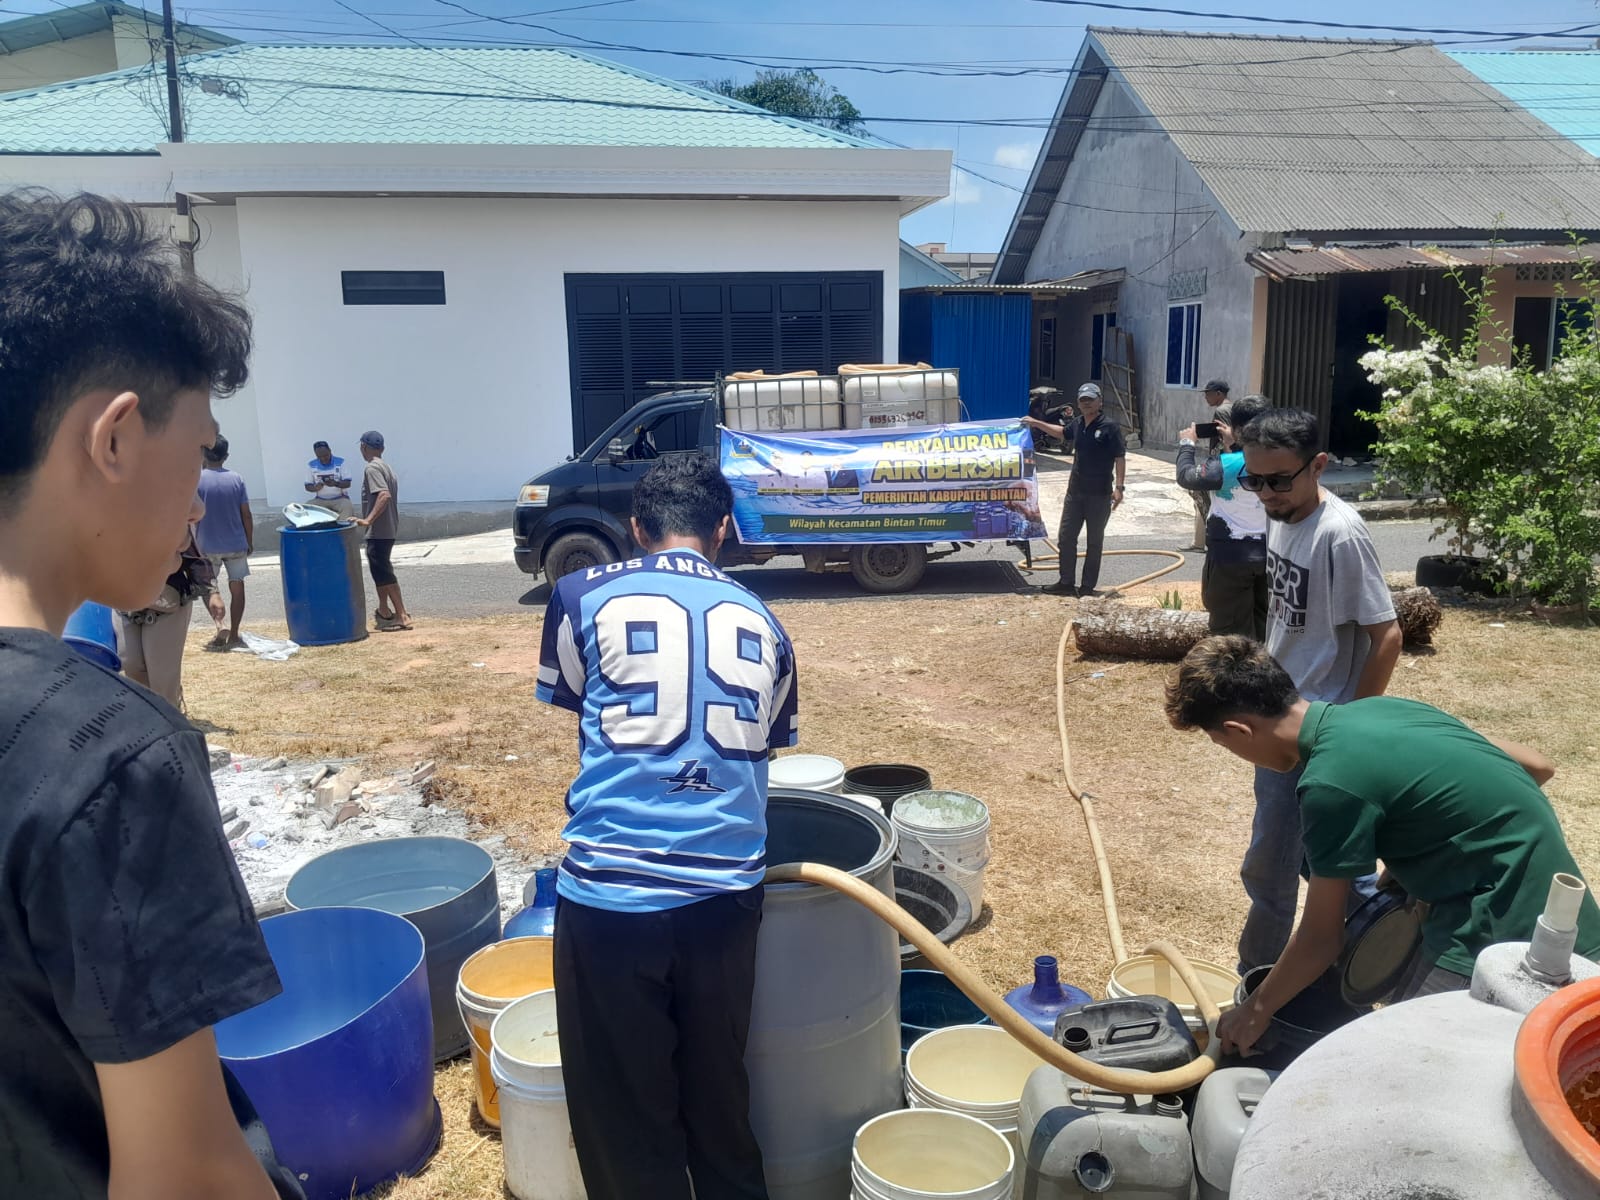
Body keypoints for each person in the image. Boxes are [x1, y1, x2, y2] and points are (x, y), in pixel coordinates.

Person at [0, 190, 299, 1198]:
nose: (199, 501)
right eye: (203, 449)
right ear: (116, 439)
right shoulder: (108, 758)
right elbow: (185, 1178)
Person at [537, 451, 798, 1200]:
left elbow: (581, 708)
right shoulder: (768, 622)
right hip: (725, 900)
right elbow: (762, 746)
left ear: (635, 527)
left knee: (624, 1121)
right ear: (723, 530)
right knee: (719, 1101)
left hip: (610, 896)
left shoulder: (578, 594)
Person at [1166, 637, 1600, 1055]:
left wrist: (1255, 1010)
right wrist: (1424, 851)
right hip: (1570, 917)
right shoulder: (1386, 709)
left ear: (1238, 730)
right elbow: (1537, 767)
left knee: (1404, 1060)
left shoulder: (1329, 784)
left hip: (1501, 932)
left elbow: (1321, 939)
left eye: (1222, 744)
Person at [1234, 408, 1402, 972]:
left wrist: (1352, 730)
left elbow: (1387, 635)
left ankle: (1267, 981)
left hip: (1319, 729)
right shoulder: (1282, 513)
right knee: (1305, 862)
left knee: (1282, 868)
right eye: (1254, 480)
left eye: (1279, 480)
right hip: (1278, 714)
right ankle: (1354, 964)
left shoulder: (1340, 535)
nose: (1266, 493)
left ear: (1319, 466)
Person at [1176, 394, 1269, 639]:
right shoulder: (1283, 458)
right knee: (1265, 622)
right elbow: (1248, 461)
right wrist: (1235, 444)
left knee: (1229, 631)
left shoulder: (1227, 464)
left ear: (1238, 429)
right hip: (1270, 553)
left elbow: (1187, 476)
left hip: (1230, 556)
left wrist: (1187, 444)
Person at [1023, 381, 1126, 597]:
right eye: (1083, 400)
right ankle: (1066, 582)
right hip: (1075, 493)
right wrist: (1036, 423)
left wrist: (1119, 488)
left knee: (1094, 542)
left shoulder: (1110, 427)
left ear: (1099, 402)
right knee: (1066, 537)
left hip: (1099, 494)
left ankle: (1087, 587)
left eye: (1090, 400)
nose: (1086, 403)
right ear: (1078, 403)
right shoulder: (1078, 424)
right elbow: (1062, 432)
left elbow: (1120, 458)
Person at [116, 498, 216, 710]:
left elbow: (193, 553)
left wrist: (212, 592)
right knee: (130, 664)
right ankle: (150, 716)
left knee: (162, 676)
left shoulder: (166, 506)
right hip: (125, 601)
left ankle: (169, 716)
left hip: (166, 602)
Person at [195, 433, 253, 649]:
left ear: (203, 454)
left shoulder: (197, 480)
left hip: (207, 545)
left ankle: (220, 625)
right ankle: (235, 634)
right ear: (226, 456)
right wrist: (249, 540)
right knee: (237, 586)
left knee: (209, 588)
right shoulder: (237, 479)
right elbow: (246, 514)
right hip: (236, 543)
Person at [352, 430, 411, 630]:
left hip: (379, 530)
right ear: (382, 448)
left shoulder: (372, 469)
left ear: (363, 447)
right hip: (388, 527)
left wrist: (367, 520)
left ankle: (402, 615)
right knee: (379, 569)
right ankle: (384, 609)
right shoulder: (386, 467)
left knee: (383, 571)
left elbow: (384, 495)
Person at [1186, 379, 1232, 549]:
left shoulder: (1222, 410)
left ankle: (1209, 540)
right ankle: (1200, 542)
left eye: (1208, 393)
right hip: (1226, 463)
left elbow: (1224, 436)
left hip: (1221, 463)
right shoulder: (1232, 408)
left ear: (1218, 393)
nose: (1206, 397)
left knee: (1199, 492)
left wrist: (1215, 462)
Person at [303, 439, 353, 518]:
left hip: (339, 499)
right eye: (319, 457)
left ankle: (342, 525)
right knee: (306, 508)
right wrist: (315, 488)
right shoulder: (311, 465)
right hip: (320, 499)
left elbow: (348, 483)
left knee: (347, 506)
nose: (323, 459)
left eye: (325, 455)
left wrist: (336, 483)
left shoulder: (340, 462)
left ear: (330, 451)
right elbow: (307, 486)